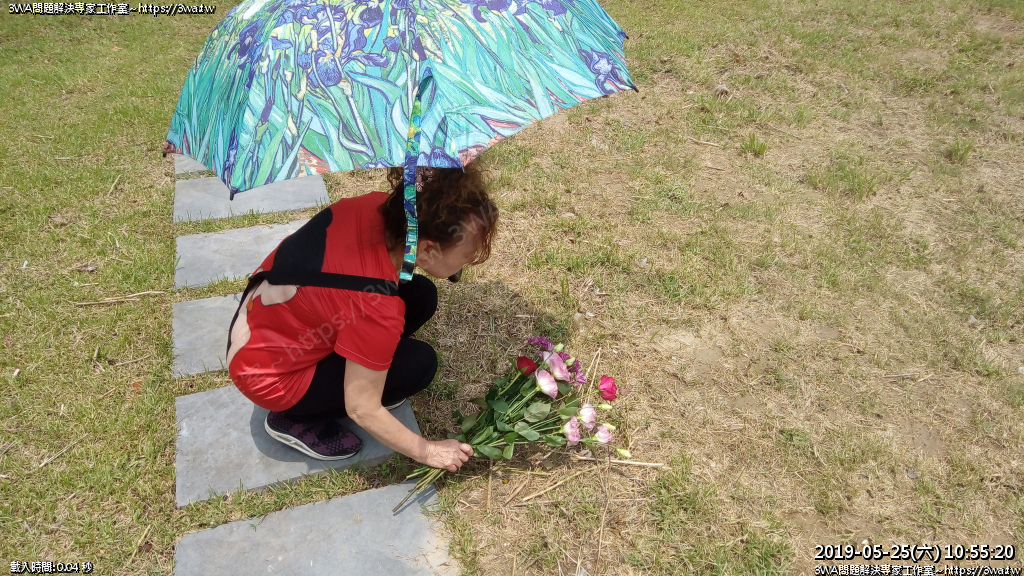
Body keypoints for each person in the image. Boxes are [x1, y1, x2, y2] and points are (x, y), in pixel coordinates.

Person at [225, 163, 498, 474]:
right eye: (466, 257)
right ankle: (295, 417)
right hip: (270, 378)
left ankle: (347, 370)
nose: (466, 265)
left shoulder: (376, 206)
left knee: (421, 295)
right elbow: (362, 408)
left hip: (262, 322)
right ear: (427, 248)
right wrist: (428, 451)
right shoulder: (375, 307)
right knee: (419, 365)